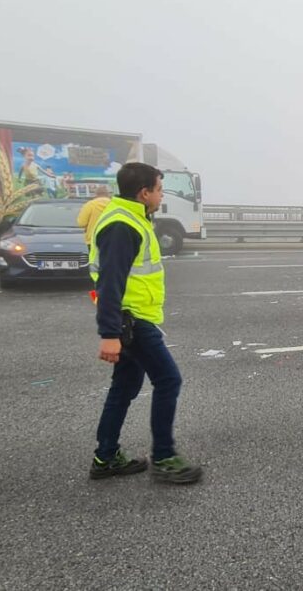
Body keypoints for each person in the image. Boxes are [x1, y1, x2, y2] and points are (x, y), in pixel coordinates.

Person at [88, 162, 202, 484]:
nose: (161, 195)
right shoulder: (123, 226)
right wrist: (109, 334)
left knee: (124, 387)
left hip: (133, 318)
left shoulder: (130, 218)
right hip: (133, 322)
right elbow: (110, 283)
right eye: (160, 189)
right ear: (144, 193)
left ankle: (106, 457)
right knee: (168, 380)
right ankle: (164, 457)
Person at [76, 185, 112, 249]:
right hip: (111, 240)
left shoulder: (90, 205)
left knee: (94, 259)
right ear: (108, 194)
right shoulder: (113, 204)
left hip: (93, 240)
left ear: (96, 194)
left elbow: (81, 223)